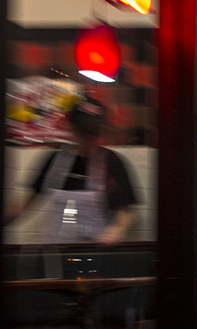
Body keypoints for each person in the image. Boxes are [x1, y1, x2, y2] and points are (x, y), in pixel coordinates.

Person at [4, 95, 138, 243]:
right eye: (83, 131)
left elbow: (126, 212)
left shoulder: (112, 162)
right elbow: (22, 204)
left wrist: (115, 232)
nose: (88, 137)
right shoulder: (55, 160)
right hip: (56, 253)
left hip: (97, 252)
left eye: (93, 131)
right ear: (72, 128)